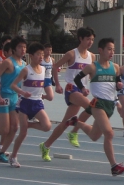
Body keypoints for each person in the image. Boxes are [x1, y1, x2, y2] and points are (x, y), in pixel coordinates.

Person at [71, 37, 124, 176]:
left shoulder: (115, 67)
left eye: (113, 50)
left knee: (94, 135)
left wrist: (119, 97)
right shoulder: (92, 67)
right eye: (109, 49)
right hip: (98, 104)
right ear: (100, 50)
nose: (112, 52)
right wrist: (83, 89)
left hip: (110, 105)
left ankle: (76, 123)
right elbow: (77, 78)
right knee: (109, 133)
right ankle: (114, 166)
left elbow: (116, 84)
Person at [39, 27, 95, 159]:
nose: (90, 42)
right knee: (91, 106)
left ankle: (46, 145)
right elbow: (55, 66)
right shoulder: (71, 54)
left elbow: (91, 74)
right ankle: (74, 131)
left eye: (92, 40)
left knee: (65, 122)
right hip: (71, 89)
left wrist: (89, 86)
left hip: (81, 90)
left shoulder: (91, 56)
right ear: (80, 39)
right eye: (88, 39)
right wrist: (57, 84)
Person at [7, 42, 52, 168]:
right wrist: (22, 92)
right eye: (38, 54)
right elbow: (13, 85)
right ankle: (13, 156)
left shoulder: (43, 69)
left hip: (37, 102)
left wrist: (47, 94)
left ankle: (28, 125)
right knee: (23, 133)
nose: (41, 57)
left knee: (47, 126)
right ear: (31, 56)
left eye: (42, 54)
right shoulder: (26, 70)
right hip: (25, 103)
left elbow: (45, 84)